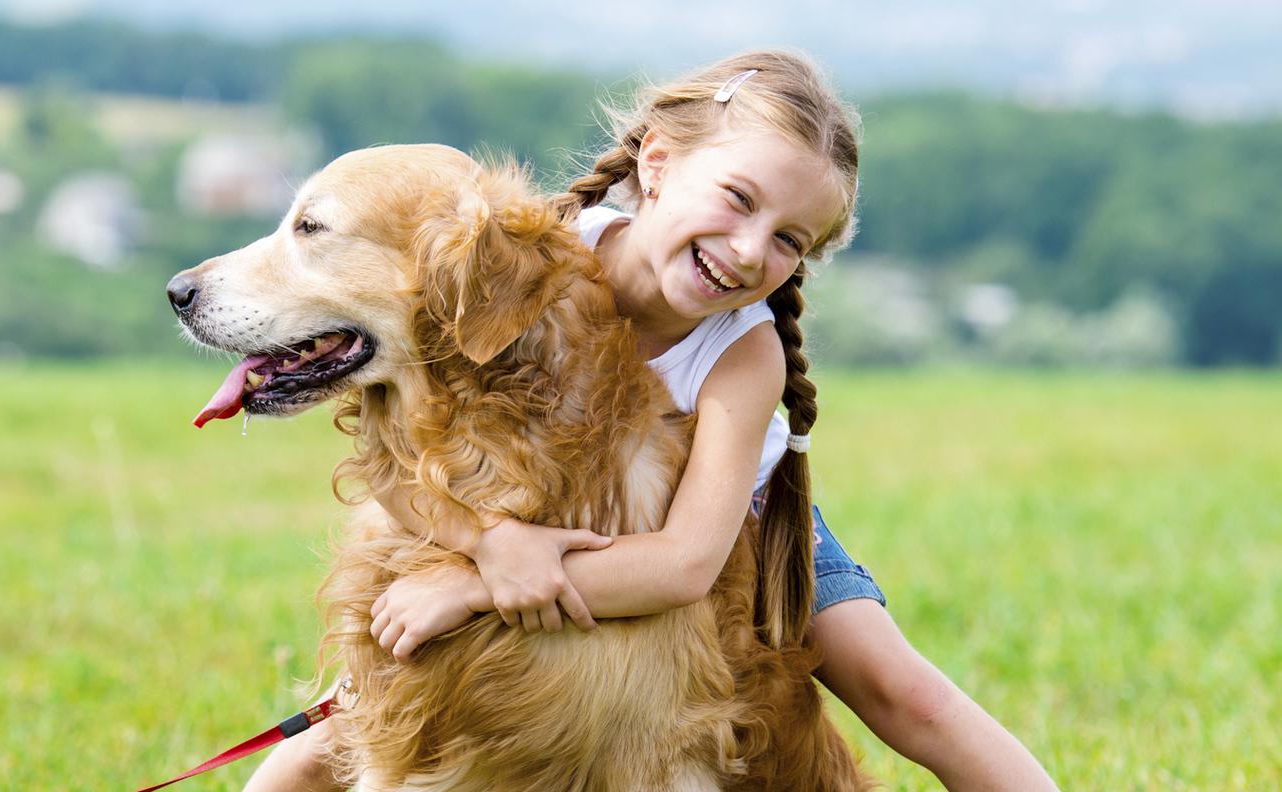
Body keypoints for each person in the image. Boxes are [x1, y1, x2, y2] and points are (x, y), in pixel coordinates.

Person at [248, 50, 1056, 791]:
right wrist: (490, 543)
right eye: (738, 200)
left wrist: (475, 585)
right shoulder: (540, 265)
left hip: (738, 521)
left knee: (902, 694)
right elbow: (398, 458)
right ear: (658, 164)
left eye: (787, 241)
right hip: (543, 513)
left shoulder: (746, 353)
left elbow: (683, 567)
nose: (746, 251)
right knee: (329, 739)